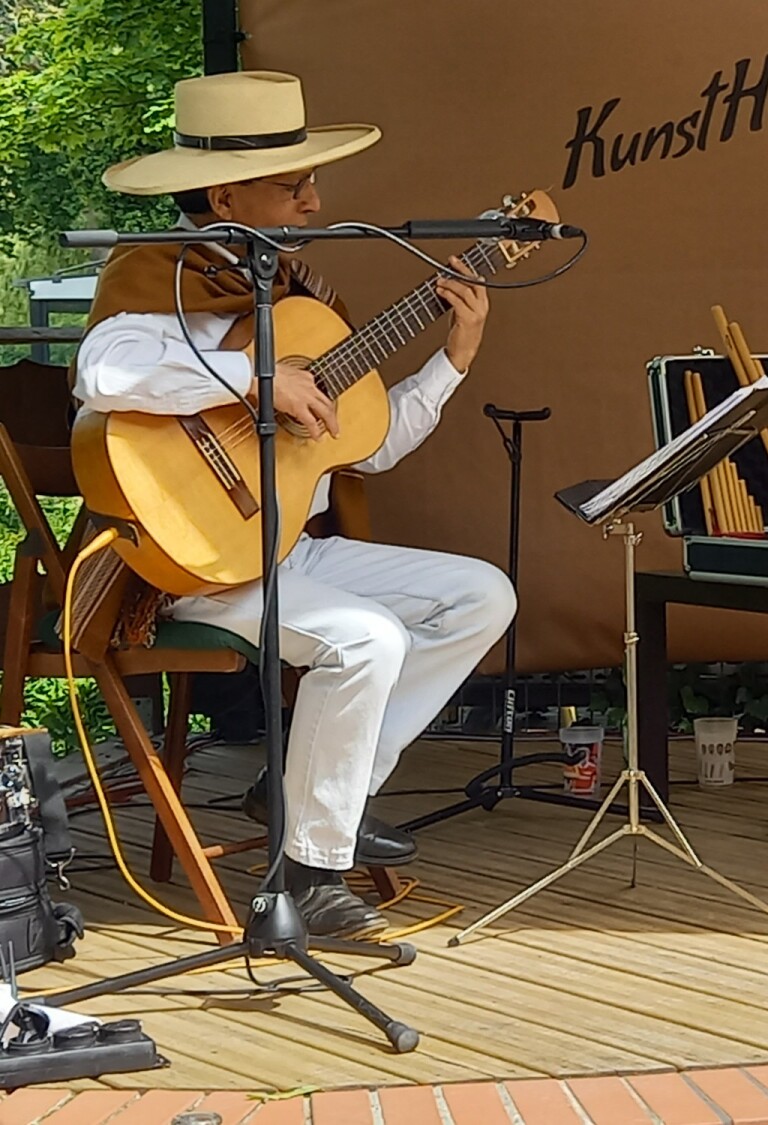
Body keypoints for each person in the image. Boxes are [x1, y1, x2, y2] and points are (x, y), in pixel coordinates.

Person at [73, 71, 518, 935]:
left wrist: (454, 357)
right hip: (198, 560)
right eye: (295, 183)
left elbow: (369, 444)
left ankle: (320, 800)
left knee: (481, 594)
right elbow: (102, 372)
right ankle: (310, 870)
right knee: (369, 637)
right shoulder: (157, 272)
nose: (316, 202)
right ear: (226, 191)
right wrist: (254, 378)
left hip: (291, 545)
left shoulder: (301, 296)